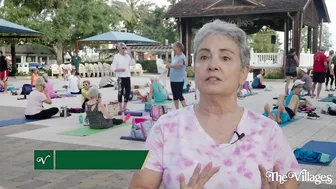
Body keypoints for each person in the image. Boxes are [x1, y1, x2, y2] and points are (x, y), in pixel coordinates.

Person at [129, 20, 299, 189]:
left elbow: (289, 184)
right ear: (195, 69)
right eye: (204, 57)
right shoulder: (166, 128)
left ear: (243, 73)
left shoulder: (268, 132)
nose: (213, 65)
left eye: (225, 58)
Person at [111, 42, 134, 111]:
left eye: (125, 48)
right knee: (120, 91)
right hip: (120, 76)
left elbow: (132, 64)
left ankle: (125, 106)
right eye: (123, 48)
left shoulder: (127, 56)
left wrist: (130, 55)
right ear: (119, 49)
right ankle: (120, 107)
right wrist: (119, 70)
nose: (124, 49)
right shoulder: (116, 56)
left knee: (128, 91)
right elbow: (113, 68)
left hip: (127, 75)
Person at [166, 42, 188, 109]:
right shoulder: (176, 56)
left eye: (174, 48)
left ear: (179, 48)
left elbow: (180, 65)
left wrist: (170, 66)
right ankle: (177, 110)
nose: (174, 49)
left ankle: (185, 109)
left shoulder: (182, 56)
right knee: (175, 95)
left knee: (179, 95)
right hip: (173, 79)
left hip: (179, 79)